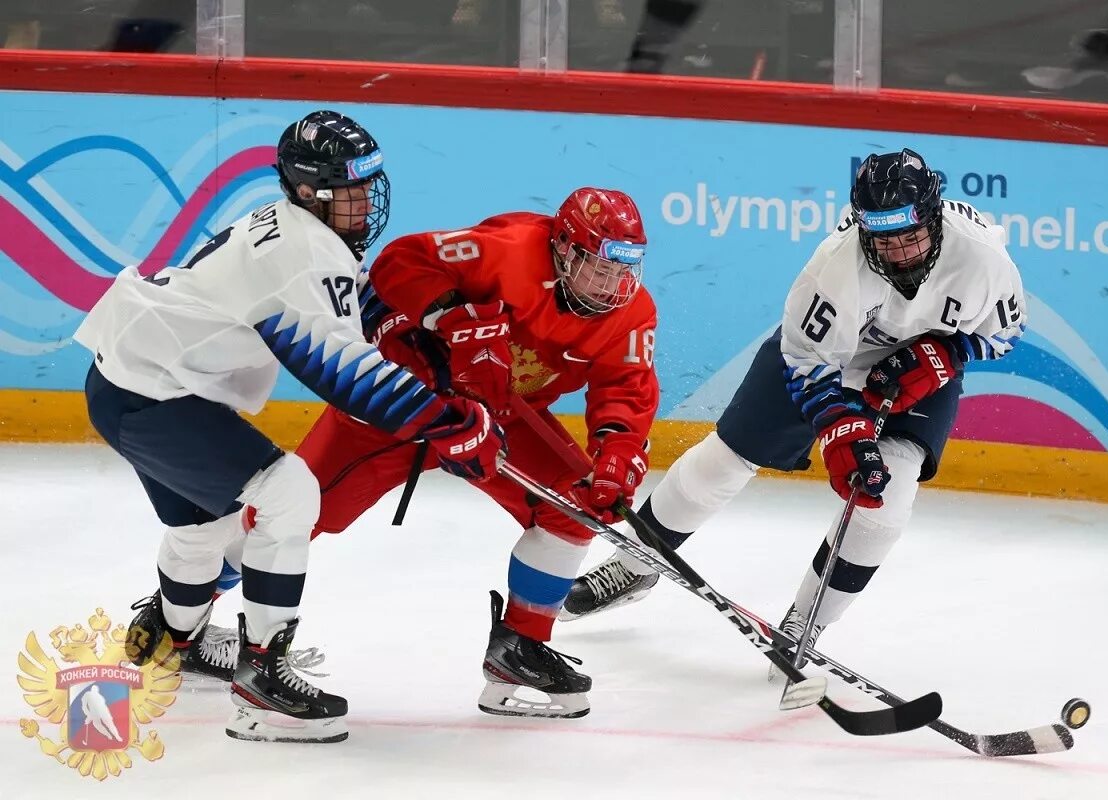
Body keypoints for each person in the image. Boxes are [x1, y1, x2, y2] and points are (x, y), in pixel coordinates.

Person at [74, 110, 504, 743]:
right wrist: (447, 421)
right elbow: (342, 375)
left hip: (132, 382)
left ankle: (170, 641)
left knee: (204, 529)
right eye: (351, 188)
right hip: (154, 396)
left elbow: (344, 303)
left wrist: (410, 327)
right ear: (308, 191)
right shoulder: (305, 250)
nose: (367, 200)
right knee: (289, 491)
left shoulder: (295, 229)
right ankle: (262, 681)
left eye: (369, 183)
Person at [563, 149, 1027, 672]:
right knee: (723, 461)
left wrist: (949, 353)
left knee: (887, 502)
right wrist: (841, 430)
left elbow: (1005, 333)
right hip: (829, 358)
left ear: (934, 217)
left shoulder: (983, 257)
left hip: (922, 370)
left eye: (910, 237)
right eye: (883, 239)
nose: (897, 253)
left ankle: (806, 625)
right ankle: (633, 566)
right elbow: (806, 362)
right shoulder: (834, 266)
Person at [251, 187, 659, 719]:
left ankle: (520, 648)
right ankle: (186, 616)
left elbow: (627, 392)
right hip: (402, 400)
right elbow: (401, 261)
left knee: (575, 507)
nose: (611, 284)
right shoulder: (509, 251)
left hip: (496, 418)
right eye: (595, 266)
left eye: (623, 270)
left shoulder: (631, 315)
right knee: (293, 510)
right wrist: (448, 315)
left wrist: (616, 458)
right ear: (562, 248)